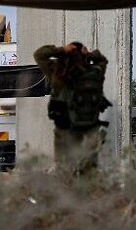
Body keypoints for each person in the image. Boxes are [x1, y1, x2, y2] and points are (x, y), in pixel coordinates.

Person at [33, 42, 111, 175]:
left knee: (64, 169)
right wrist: (89, 54)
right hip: (89, 129)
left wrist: (61, 50)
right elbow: (102, 60)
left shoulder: (58, 73)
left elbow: (39, 55)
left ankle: (68, 194)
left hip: (65, 131)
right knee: (89, 171)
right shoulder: (94, 72)